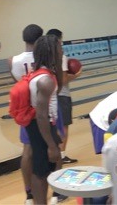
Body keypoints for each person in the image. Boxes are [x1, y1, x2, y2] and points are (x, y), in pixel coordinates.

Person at [26, 35, 63, 205]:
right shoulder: (45, 80)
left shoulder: (46, 74)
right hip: (41, 126)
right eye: (59, 49)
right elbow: (41, 115)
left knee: (46, 168)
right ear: (51, 52)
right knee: (40, 172)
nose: (62, 51)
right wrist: (51, 145)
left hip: (44, 126)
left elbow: (59, 88)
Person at [9, 24, 44, 205]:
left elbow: (19, 84)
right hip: (44, 109)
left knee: (28, 151)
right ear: (40, 39)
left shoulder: (13, 61)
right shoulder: (45, 58)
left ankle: (29, 194)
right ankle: (54, 190)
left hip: (26, 110)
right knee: (52, 147)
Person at [46, 29, 79, 164]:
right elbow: (63, 80)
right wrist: (76, 75)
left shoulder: (43, 56)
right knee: (63, 126)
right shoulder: (60, 56)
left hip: (48, 96)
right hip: (62, 95)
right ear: (58, 40)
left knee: (51, 126)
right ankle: (61, 155)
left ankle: (51, 153)